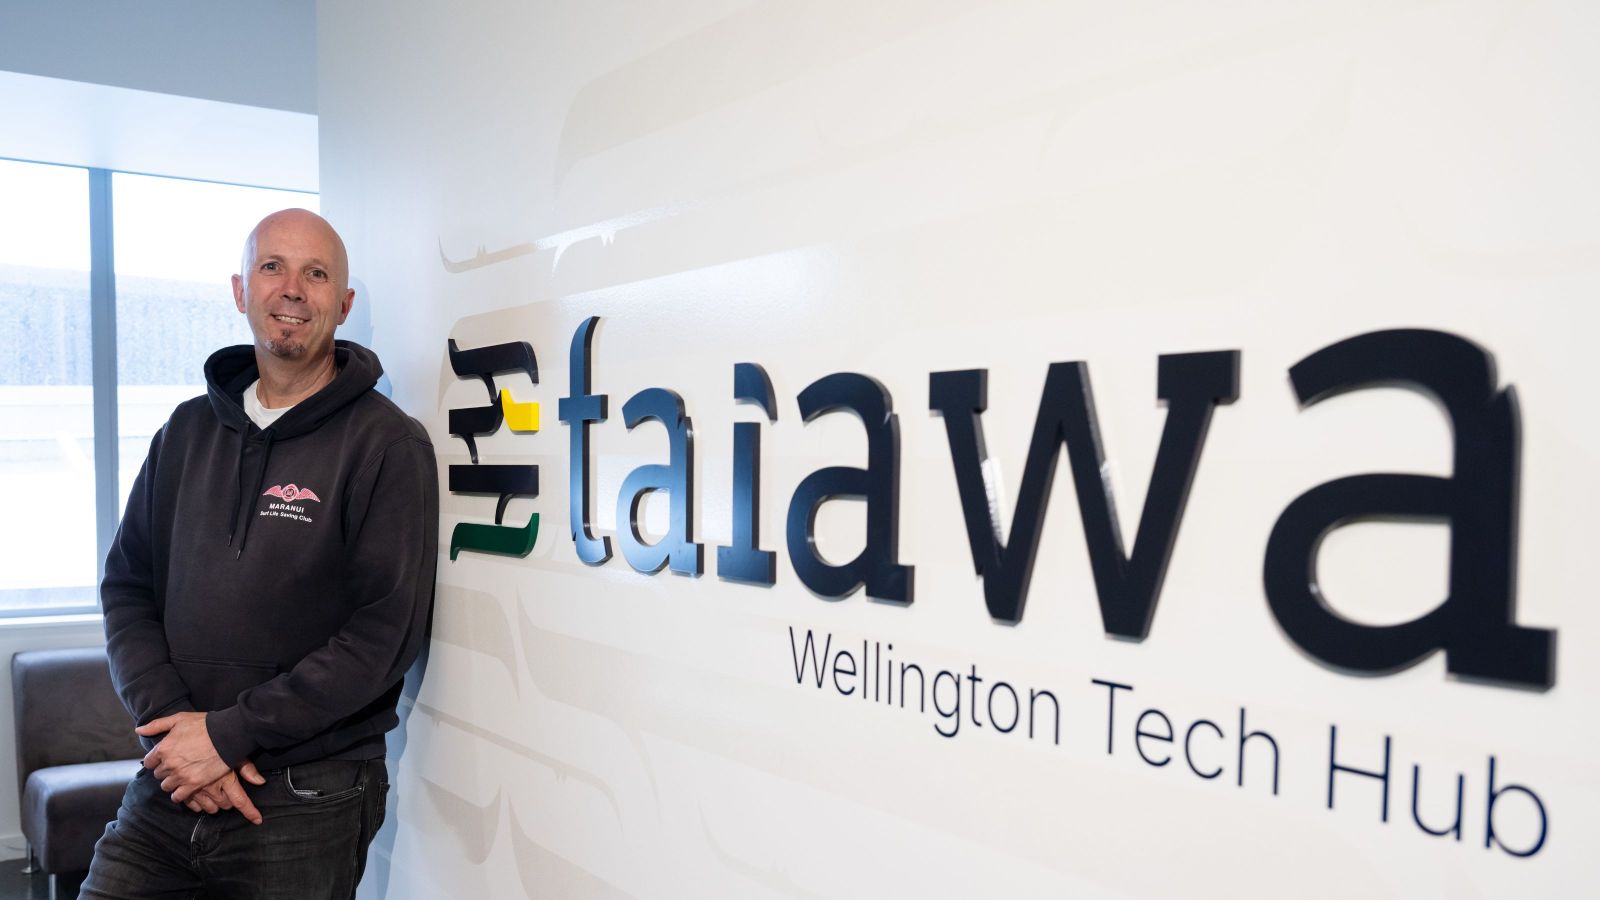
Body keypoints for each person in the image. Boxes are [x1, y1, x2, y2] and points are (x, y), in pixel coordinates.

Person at [81, 209, 438, 899]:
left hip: (308, 796)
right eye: (272, 267)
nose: (293, 289)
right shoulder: (184, 432)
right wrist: (181, 737)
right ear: (242, 290)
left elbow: (382, 635)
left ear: (344, 303)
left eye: (317, 273)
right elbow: (127, 588)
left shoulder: (387, 445)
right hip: (171, 777)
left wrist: (230, 734)